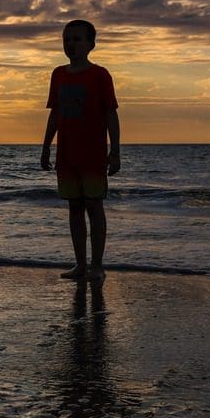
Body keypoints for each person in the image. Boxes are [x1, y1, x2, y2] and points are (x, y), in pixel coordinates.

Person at [40, 19, 120, 282]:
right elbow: (55, 114)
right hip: (67, 154)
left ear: (90, 44)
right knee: (74, 208)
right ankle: (80, 265)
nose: (70, 44)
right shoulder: (58, 74)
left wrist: (115, 151)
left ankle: (97, 266)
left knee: (94, 207)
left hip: (93, 154)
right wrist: (45, 148)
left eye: (76, 39)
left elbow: (111, 115)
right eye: (67, 39)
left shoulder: (100, 75)